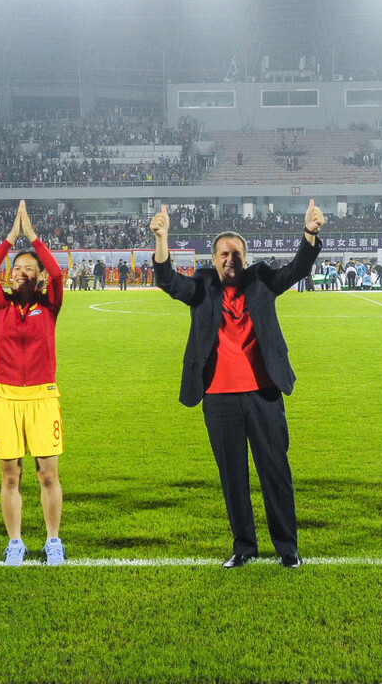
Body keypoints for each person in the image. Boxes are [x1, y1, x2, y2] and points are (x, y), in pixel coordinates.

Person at [150, 199, 324, 569]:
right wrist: (162, 238)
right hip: (218, 398)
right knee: (233, 478)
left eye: (237, 253)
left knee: (275, 471)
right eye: (224, 254)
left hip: (263, 394)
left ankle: (287, 547)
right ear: (212, 260)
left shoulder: (261, 280)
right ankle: (244, 546)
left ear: (246, 257)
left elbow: (297, 269)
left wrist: (309, 233)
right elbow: (167, 280)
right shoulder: (201, 286)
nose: (231, 258)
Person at [0, 200, 66, 567]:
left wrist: (33, 237)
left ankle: (53, 541)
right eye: (17, 268)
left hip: (43, 397)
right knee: (10, 475)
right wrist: (10, 239)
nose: (22, 273)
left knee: (47, 474)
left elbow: (58, 276)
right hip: (7, 396)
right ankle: (15, 542)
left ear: (39, 277)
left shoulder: (49, 306)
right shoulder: (1, 307)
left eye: (30, 269)